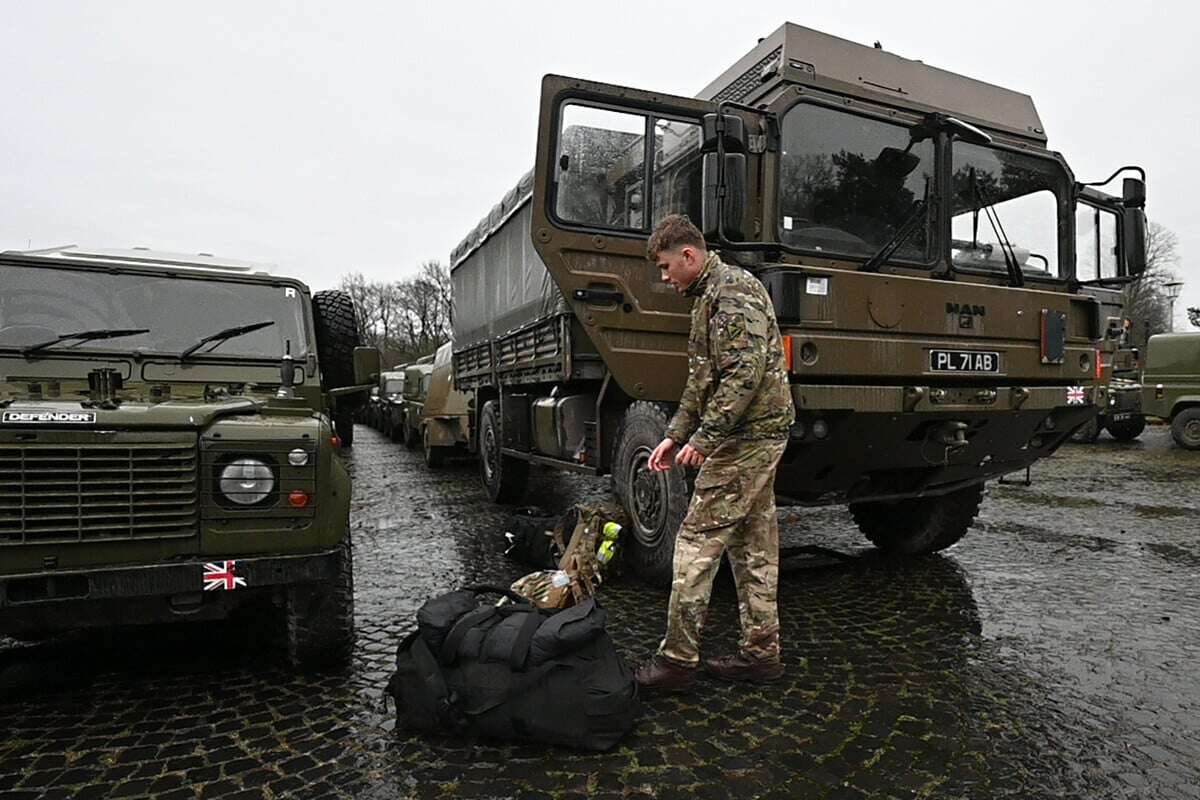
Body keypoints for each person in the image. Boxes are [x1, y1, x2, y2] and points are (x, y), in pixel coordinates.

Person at [632, 215, 795, 693]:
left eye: (665, 267)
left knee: (695, 542)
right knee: (754, 546)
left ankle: (677, 661)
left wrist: (703, 440)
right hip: (753, 435)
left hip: (748, 439)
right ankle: (761, 655)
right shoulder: (709, 295)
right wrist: (675, 434)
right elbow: (703, 379)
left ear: (689, 255)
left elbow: (744, 375)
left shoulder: (730, 293)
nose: (664, 278)